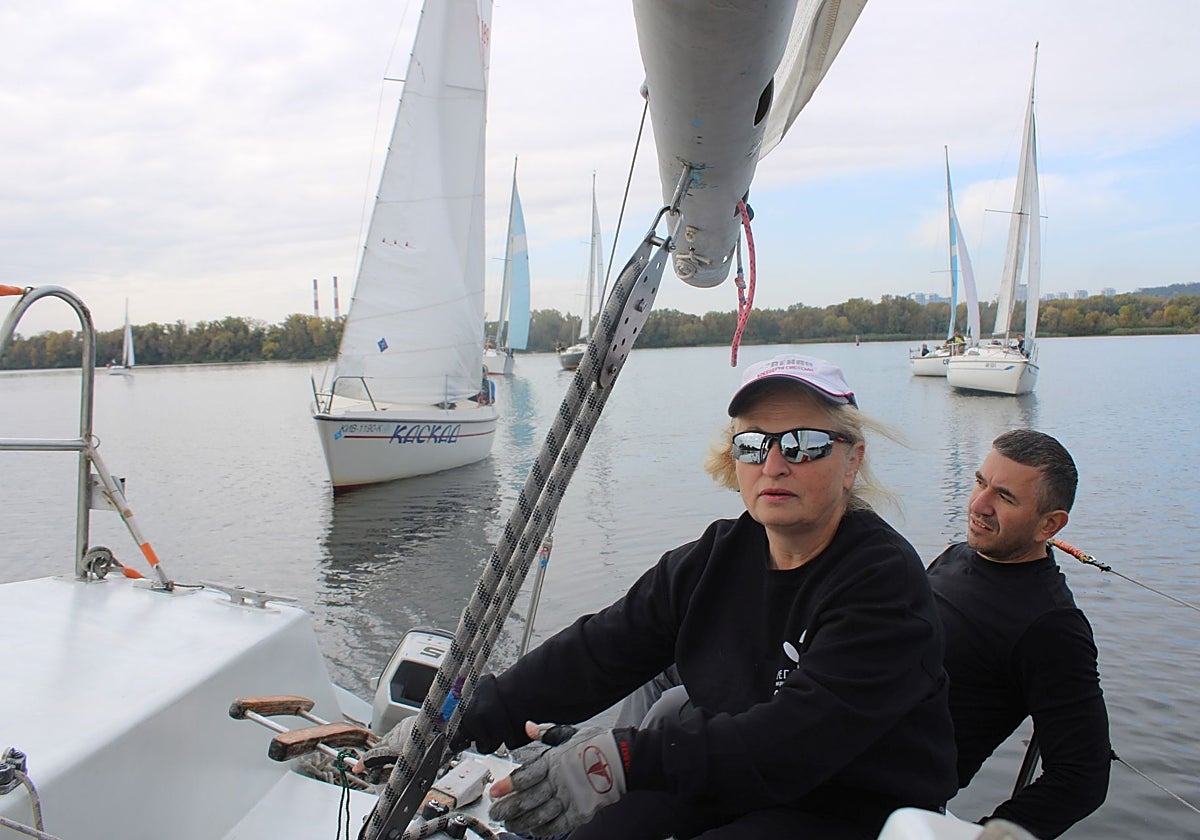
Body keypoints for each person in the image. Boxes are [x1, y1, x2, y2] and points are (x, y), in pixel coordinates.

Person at [455, 353, 957, 839]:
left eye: (804, 444)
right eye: (753, 444)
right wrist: (469, 717)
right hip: (726, 772)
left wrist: (625, 758)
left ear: (851, 461)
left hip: (848, 805)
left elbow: (796, 740)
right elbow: (602, 648)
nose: (774, 465)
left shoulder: (882, 583)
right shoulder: (715, 558)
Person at [926, 430, 1110, 839]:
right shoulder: (958, 556)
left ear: (1050, 524)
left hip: (881, 792)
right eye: (980, 482)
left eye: (1005, 497)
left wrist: (984, 835)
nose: (979, 504)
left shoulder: (1051, 626)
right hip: (836, 743)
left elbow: (1083, 775)